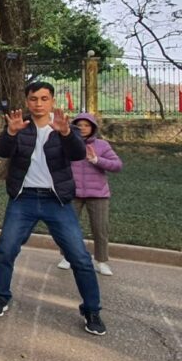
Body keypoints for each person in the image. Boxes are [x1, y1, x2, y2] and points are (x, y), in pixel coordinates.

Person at [0, 81, 106, 336]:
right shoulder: (22, 126)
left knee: (80, 258)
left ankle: (92, 310)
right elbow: (2, 152)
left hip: (57, 201)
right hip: (23, 199)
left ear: (52, 100)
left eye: (43, 99)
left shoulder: (64, 126)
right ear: (27, 101)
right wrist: (9, 133)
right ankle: (1, 297)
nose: (38, 104)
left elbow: (76, 155)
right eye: (33, 99)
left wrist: (65, 134)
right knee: (5, 250)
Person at [57, 113, 123, 276]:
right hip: (73, 193)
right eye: (79, 125)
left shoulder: (102, 145)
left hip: (98, 194)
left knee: (100, 229)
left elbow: (117, 165)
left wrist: (96, 160)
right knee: (68, 228)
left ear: (93, 127)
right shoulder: (68, 143)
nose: (83, 128)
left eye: (87, 125)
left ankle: (101, 261)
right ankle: (67, 257)